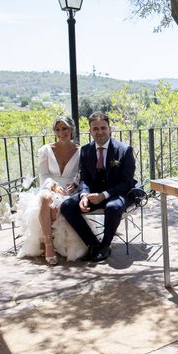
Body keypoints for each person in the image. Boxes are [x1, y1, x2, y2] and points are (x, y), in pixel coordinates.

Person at [60, 112, 137, 262]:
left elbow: (126, 182)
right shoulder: (86, 150)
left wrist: (104, 195)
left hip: (117, 193)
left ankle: (105, 245)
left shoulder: (124, 150)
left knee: (113, 207)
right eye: (95, 129)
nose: (99, 132)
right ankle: (93, 244)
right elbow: (84, 178)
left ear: (110, 129)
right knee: (67, 206)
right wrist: (83, 195)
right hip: (92, 194)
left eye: (103, 127)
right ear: (90, 131)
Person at [16, 116, 87, 263]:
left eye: (64, 128)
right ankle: (48, 244)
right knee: (44, 198)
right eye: (57, 129)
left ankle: (49, 242)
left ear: (71, 129)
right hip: (49, 186)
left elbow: (82, 174)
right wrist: (52, 184)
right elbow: (43, 174)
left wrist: (75, 183)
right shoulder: (46, 150)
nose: (61, 133)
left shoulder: (81, 151)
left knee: (55, 207)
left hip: (69, 191)